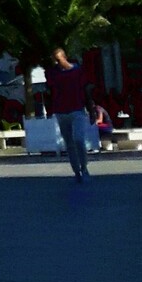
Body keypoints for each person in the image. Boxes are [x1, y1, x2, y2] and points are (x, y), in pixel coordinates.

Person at [45, 47, 96, 182]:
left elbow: (86, 91)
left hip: (77, 109)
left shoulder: (77, 71)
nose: (56, 63)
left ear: (64, 57)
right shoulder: (52, 74)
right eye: (54, 60)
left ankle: (84, 166)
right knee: (69, 143)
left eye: (58, 59)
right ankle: (76, 171)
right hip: (61, 111)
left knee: (78, 139)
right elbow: (49, 92)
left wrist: (92, 111)